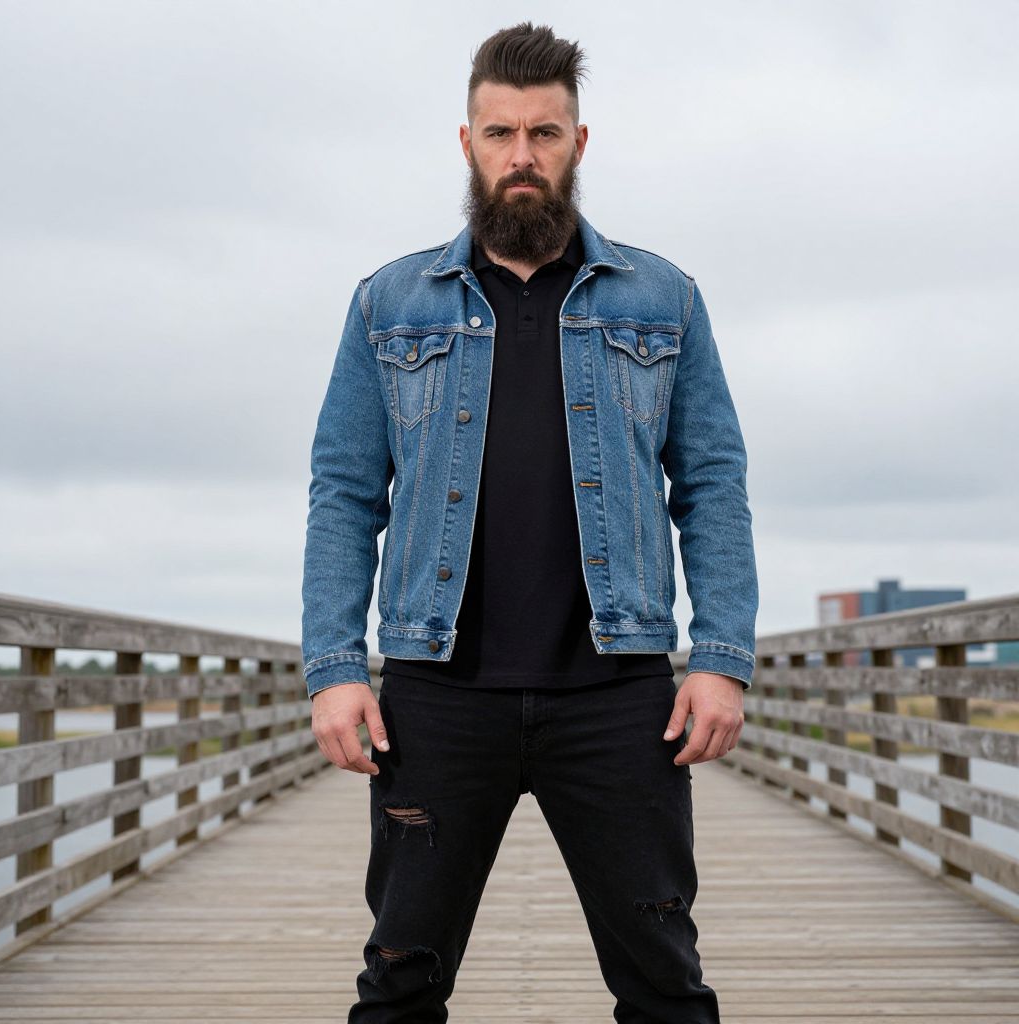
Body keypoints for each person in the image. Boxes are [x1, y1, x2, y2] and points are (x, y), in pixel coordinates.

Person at [301, 20, 758, 1024]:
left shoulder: (661, 297)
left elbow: (712, 483)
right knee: (399, 981)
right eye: (500, 131)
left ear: (577, 145)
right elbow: (343, 491)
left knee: (663, 982)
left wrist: (721, 655)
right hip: (435, 695)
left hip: (616, 694)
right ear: (464, 141)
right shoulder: (389, 303)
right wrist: (335, 668)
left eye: (543, 133)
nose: (522, 155)